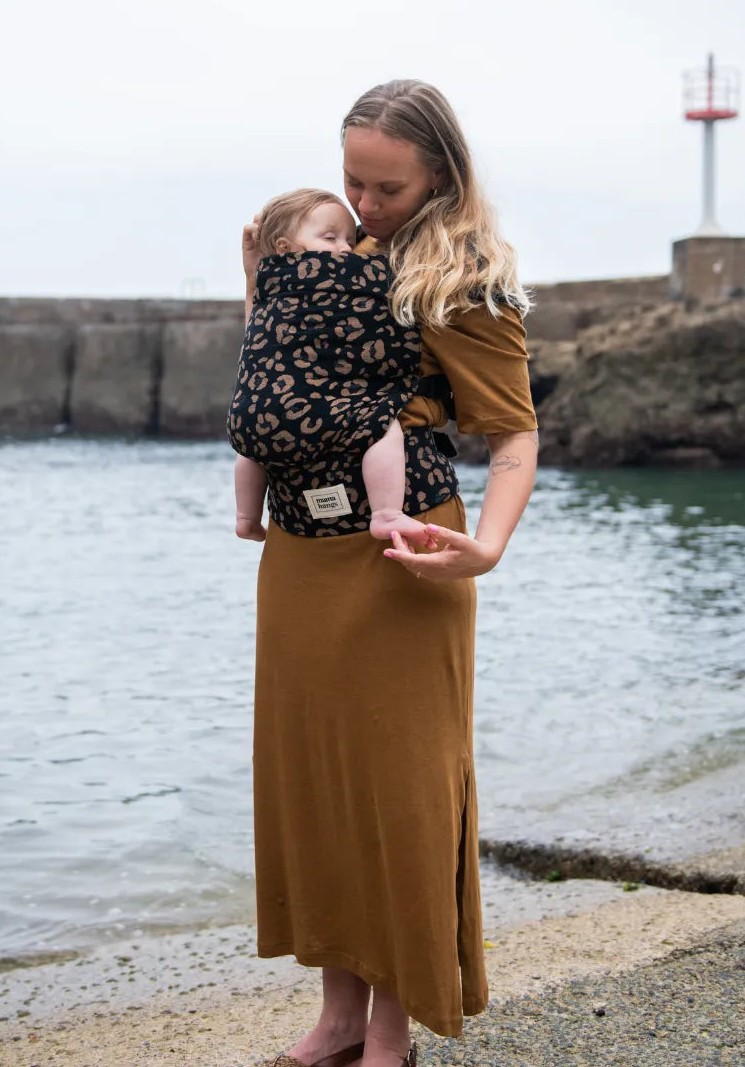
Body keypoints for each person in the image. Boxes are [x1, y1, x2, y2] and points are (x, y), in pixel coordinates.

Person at [242, 81, 539, 1067]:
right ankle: (336, 1017)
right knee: (319, 788)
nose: (365, 204)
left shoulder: (466, 279)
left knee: (398, 794)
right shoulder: (331, 247)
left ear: (441, 176)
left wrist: (488, 547)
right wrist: (260, 280)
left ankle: (390, 1031)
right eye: (352, 181)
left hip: (405, 551)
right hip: (299, 547)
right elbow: (276, 376)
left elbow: (512, 435)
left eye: (389, 187)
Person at [229, 187, 427, 544]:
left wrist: (253, 280)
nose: (345, 249)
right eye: (330, 237)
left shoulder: (272, 292)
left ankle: (246, 516)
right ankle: (386, 513)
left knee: (252, 449)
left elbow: (256, 339)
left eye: (350, 240)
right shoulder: (346, 282)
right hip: (317, 410)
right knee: (382, 428)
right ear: (284, 245)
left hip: (252, 414)